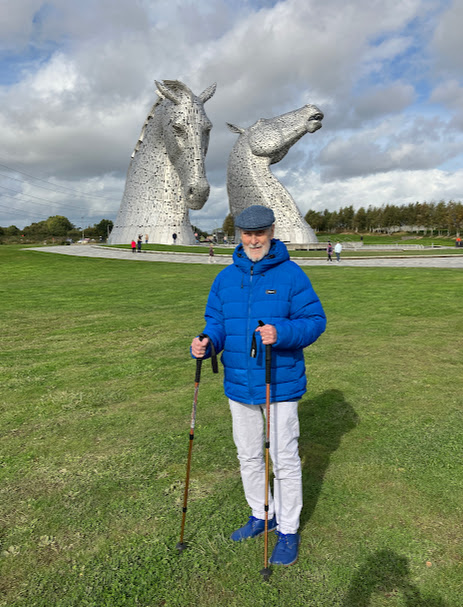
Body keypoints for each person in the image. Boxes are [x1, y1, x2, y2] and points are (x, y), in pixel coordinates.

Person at [191, 205, 326, 567]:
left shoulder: (292, 275)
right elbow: (217, 323)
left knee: (284, 457)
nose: (253, 240)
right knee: (249, 455)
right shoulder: (224, 278)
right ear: (240, 235)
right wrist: (207, 342)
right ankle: (261, 513)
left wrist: (282, 333)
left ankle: (288, 529)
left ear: (271, 233)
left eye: (260, 233)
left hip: (279, 382)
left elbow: (315, 320)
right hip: (239, 383)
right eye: (248, 234)